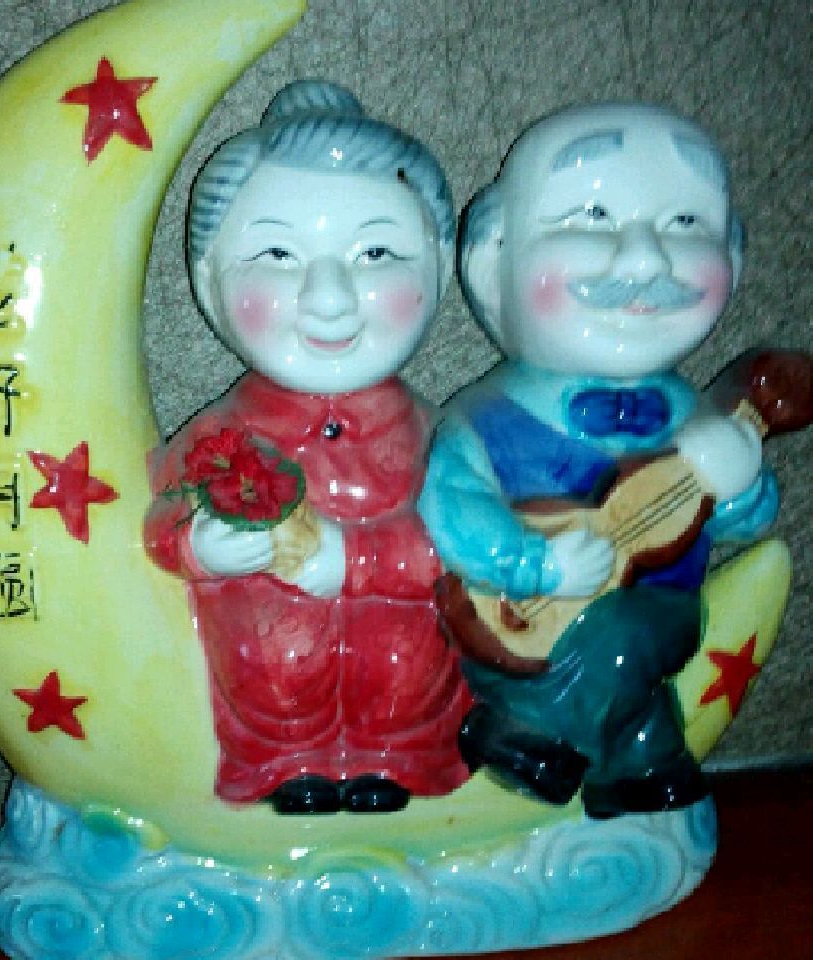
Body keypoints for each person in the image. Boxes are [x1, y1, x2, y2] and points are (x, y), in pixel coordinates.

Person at [418, 102, 779, 818]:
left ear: (733, 259)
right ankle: (634, 762)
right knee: (631, 685)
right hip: (518, 624)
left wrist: (741, 485)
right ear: (492, 262)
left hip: (662, 608)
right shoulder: (487, 419)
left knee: (632, 638)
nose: (645, 260)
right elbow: (452, 502)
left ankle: (530, 736)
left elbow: (740, 517)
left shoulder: (695, 417)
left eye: (686, 223)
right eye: (591, 218)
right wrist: (531, 564)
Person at [144, 80, 473, 814]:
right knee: (275, 669)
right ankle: (286, 768)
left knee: (407, 675)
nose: (329, 297)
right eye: (278, 255)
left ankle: (396, 763)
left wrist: (355, 560)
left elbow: (465, 533)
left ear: (438, 265)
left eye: (376, 253)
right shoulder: (220, 437)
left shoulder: (442, 436)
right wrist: (199, 544)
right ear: (209, 278)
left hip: (409, 700)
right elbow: (162, 515)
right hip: (267, 702)